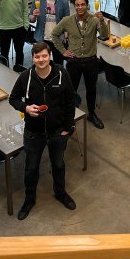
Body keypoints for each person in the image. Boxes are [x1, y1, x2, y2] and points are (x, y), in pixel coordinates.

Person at [9, 41, 77, 220]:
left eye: (44, 56)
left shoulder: (62, 73)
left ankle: (60, 193)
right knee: (31, 168)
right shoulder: (26, 76)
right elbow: (13, 99)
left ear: (50, 56)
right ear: (32, 58)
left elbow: (70, 101)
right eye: (37, 56)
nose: (41, 60)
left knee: (58, 165)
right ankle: (29, 199)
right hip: (33, 133)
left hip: (57, 132)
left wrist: (68, 127)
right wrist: (26, 108)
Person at [51, 0, 109, 129]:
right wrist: (63, 51)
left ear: (87, 5)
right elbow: (54, 34)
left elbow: (104, 35)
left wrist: (102, 21)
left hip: (91, 61)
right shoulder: (67, 20)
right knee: (71, 90)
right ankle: (70, 116)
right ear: (74, 6)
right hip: (74, 62)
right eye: (77, 5)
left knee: (91, 89)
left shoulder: (94, 20)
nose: (80, 7)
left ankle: (92, 114)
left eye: (83, 4)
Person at [28, 0, 69, 65]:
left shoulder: (63, 0)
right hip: (42, 39)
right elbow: (31, 19)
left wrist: (66, 36)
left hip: (58, 39)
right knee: (43, 63)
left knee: (58, 65)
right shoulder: (37, 0)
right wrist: (34, 16)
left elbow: (67, 20)